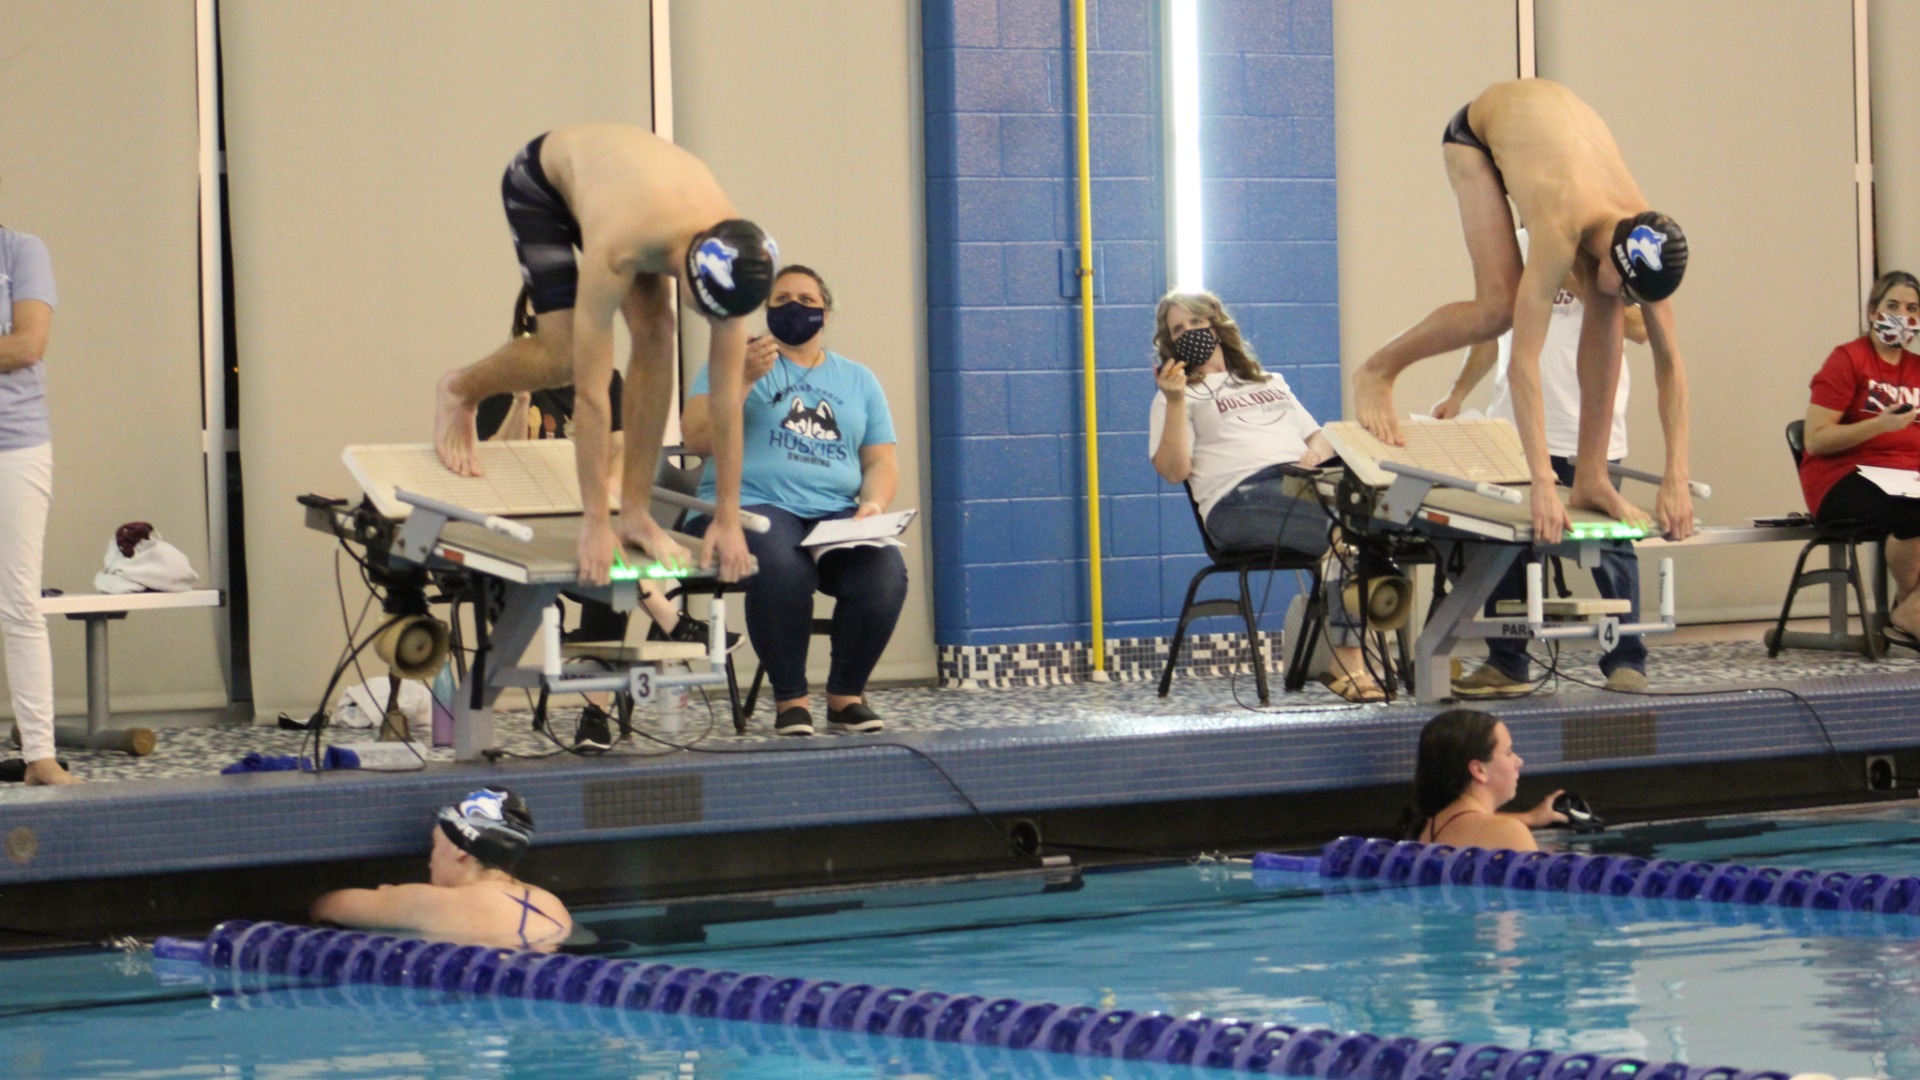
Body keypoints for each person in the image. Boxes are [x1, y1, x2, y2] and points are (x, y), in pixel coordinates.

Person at [1352, 78, 1696, 546]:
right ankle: (1378, 369)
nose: (1636, 305)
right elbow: (1522, 362)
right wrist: (1542, 482)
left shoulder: (1646, 235)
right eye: (1633, 294)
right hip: (1477, 138)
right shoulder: (1560, 224)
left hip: (1551, 133)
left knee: (1605, 306)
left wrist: (1677, 474)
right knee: (1500, 308)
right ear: (1619, 265)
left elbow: (1670, 364)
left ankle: (1592, 475)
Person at [432, 124, 777, 587]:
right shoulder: (622, 247)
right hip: (546, 183)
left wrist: (729, 518)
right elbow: (592, 396)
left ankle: (635, 514)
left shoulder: (739, 262)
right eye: (711, 314)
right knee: (566, 357)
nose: (719, 326)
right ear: (690, 274)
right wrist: (595, 520)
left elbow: (725, 401)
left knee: (658, 331)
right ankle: (460, 388)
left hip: (629, 191)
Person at [682, 265, 907, 737]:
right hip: (748, 506)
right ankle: (791, 701)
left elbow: (881, 462)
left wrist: (872, 505)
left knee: (883, 573)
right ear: (765, 310)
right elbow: (699, 440)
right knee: (782, 567)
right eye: (781, 299)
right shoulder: (732, 361)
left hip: (833, 515)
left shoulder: (858, 379)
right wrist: (741, 381)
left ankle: (846, 696)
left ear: (825, 313)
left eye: (806, 299)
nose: (794, 307)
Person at [1432, 228, 1651, 694]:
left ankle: (1627, 658)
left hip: (1585, 433)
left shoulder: (1600, 249)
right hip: (1516, 431)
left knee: (1610, 547)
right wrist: (1457, 393)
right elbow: (1489, 330)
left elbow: (1641, 330)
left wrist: (1585, 286)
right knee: (1504, 546)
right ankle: (1507, 662)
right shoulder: (1511, 244)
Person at [1148, 291, 1385, 703]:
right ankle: (1349, 664)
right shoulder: (1178, 396)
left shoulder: (1269, 382)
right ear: (1169, 343)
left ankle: (1375, 658)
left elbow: (1318, 435)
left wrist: (1316, 453)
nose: (1189, 332)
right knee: (1341, 536)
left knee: (1382, 525)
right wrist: (1174, 400)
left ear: (1216, 326)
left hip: (1300, 486)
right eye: (1178, 329)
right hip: (1236, 502)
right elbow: (1173, 471)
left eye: (1196, 323)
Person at [1799, 270, 1920, 642]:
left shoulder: (1917, 369)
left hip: (1908, 478)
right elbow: (1816, 440)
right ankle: (1905, 614)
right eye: (1893, 305)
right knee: (1915, 510)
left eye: (1913, 308)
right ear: (1872, 312)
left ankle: (1909, 610)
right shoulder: (1848, 359)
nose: (1903, 315)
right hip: (1844, 478)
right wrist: (1878, 426)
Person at [0, 213, 74, 785]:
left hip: (14, 447)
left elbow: (27, 344)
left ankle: (40, 756)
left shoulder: (22, 250)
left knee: (17, 601)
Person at [311, 788, 572, 951]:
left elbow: (327, 906)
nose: (430, 860)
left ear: (462, 850)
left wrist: (392, 897)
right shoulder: (550, 905)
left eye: (435, 843)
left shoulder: (434, 903)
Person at [1401, 709, 1565, 851]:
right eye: (1508, 752)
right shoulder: (1509, 833)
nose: (1519, 761)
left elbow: (1470, 821)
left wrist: (1530, 818)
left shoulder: (1430, 826)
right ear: (1479, 770)